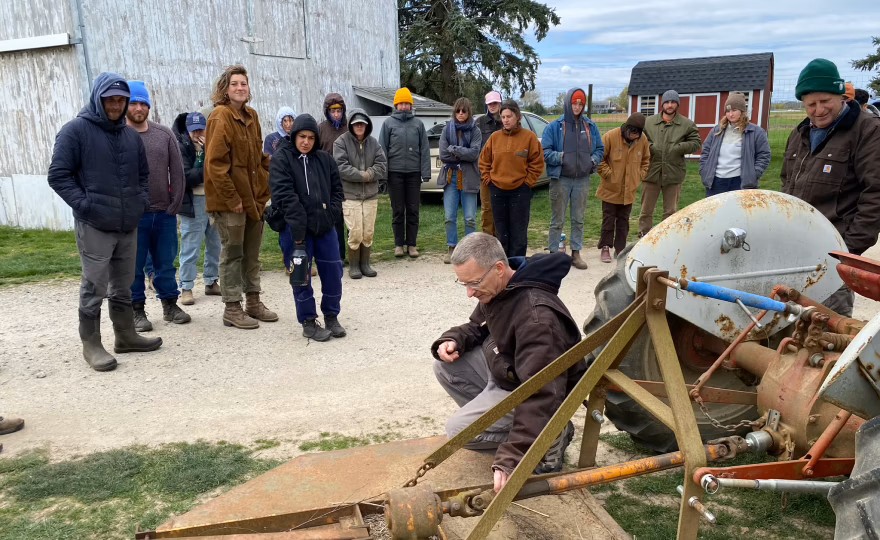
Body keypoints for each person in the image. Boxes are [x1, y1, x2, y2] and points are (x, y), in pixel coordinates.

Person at [432, 233, 583, 492]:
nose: (469, 293)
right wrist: (453, 340)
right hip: (507, 371)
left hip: (533, 391)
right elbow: (477, 326)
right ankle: (505, 424)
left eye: (474, 283)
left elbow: (542, 392)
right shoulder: (502, 289)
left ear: (499, 268)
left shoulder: (536, 319)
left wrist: (512, 456)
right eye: (463, 283)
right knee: (445, 365)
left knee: (458, 430)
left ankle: (549, 437)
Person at [47, 73, 162, 371]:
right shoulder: (75, 131)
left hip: (127, 223)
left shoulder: (129, 136)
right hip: (95, 224)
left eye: (121, 100)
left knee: (123, 284)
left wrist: (141, 203)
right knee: (95, 285)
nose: (116, 105)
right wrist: (87, 206)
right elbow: (58, 175)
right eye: (110, 99)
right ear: (98, 99)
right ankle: (91, 344)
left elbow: (143, 176)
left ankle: (125, 336)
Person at [781, 58, 880, 317]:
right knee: (787, 321)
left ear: (841, 96)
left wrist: (847, 251)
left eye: (826, 101)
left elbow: (876, 194)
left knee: (824, 332)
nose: (818, 109)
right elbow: (786, 183)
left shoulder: (867, 131)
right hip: (794, 250)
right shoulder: (799, 134)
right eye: (811, 104)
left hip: (833, 255)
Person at [204, 65, 278, 329]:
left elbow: (257, 158)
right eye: (234, 84)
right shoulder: (220, 116)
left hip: (254, 199)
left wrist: (273, 173)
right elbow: (215, 165)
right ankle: (232, 308)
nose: (239, 88)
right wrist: (232, 198)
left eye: (243, 84)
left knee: (252, 253)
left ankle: (254, 302)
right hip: (231, 203)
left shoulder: (251, 116)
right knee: (232, 253)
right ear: (225, 88)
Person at [270, 114, 346, 341]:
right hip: (295, 231)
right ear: (294, 136)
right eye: (302, 136)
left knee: (333, 274)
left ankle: (331, 316)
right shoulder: (281, 159)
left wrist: (330, 214)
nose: (306, 142)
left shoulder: (325, 160)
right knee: (301, 277)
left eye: (311, 137)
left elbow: (337, 191)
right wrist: (300, 222)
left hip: (325, 229)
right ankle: (308, 321)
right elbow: (283, 194)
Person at [124, 81, 190, 330]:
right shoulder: (119, 134)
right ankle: (137, 310)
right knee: (134, 267)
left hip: (163, 214)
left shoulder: (163, 134)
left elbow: (178, 171)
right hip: (134, 217)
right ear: (126, 106)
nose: (139, 108)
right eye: (134, 103)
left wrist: (174, 205)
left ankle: (170, 305)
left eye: (143, 103)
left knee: (165, 263)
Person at [541, 87, 604, 270]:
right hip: (560, 179)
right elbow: (545, 152)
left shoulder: (590, 127)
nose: (577, 106)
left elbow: (600, 149)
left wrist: (591, 161)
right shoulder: (554, 127)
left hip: (582, 180)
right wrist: (563, 157)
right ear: (568, 103)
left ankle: (576, 253)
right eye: (574, 102)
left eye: (580, 103)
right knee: (557, 219)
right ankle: (553, 255)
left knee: (578, 218)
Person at [478, 101, 544, 257]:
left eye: (509, 116)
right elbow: (484, 161)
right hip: (497, 191)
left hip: (520, 191)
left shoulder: (529, 138)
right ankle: (503, 263)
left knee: (519, 230)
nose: (506, 120)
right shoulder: (494, 138)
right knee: (501, 229)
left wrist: (527, 183)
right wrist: (488, 179)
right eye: (503, 116)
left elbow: (537, 162)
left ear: (517, 117)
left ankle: (517, 264)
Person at [172, 111, 221, 305]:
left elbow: (220, 171)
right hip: (193, 202)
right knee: (190, 247)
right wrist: (204, 163)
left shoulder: (213, 145)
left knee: (215, 244)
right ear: (188, 130)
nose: (197, 133)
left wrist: (208, 157)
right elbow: (187, 176)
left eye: (201, 129)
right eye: (194, 130)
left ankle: (211, 281)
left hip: (214, 200)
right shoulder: (182, 147)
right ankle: (186, 287)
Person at [639, 90, 702, 236]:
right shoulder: (649, 122)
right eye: (667, 102)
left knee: (670, 211)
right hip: (651, 172)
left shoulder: (686, 124)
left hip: (674, 173)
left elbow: (696, 142)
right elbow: (640, 139)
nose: (670, 105)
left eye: (673, 102)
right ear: (662, 104)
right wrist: (650, 147)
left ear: (677, 104)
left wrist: (679, 148)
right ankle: (644, 235)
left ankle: (666, 237)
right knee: (646, 210)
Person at [333, 108, 387, 279]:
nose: (359, 126)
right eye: (356, 123)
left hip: (371, 195)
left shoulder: (374, 143)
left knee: (368, 232)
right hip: (350, 195)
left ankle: (365, 263)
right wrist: (362, 176)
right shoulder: (340, 142)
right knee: (355, 232)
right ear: (351, 124)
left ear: (367, 125)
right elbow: (341, 167)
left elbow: (382, 165)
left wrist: (369, 174)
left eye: (362, 123)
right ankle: (354, 265)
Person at [379, 87, 430, 258]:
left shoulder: (418, 124)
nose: (404, 106)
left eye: (407, 103)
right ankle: (398, 244)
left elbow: (424, 149)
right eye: (401, 103)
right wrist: (383, 175)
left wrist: (425, 172)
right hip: (395, 173)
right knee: (398, 210)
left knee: (413, 209)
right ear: (396, 105)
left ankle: (412, 245)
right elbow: (382, 150)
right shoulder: (388, 124)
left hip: (414, 174)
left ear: (411, 105)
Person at [596, 113, 651, 263]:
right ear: (626, 128)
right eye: (632, 133)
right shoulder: (610, 137)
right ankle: (605, 247)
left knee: (623, 221)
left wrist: (639, 175)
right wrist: (608, 174)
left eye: (637, 134)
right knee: (608, 219)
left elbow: (646, 160)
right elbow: (599, 158)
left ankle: (620, 249)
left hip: (629, 190)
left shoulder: (643, 140)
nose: (634, 137)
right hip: (610, 189)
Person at [699, 92, 772, 197]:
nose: (730, 114)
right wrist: (704, 171)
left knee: (739, 212)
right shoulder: (716, 131)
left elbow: (764, 155)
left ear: (742, 111)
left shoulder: (756, 132)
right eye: (728, 111)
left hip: (740, 183)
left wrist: (753, 174)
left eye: (734, 110)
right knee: (717, 212)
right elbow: (705, 152)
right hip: (716, 182)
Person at [439, 97, 482, 264]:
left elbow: (474, 154)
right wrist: (463, 152)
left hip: (469, 176)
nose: (461, 113)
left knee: (470, 217)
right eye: (458, 110)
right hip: (450, 176)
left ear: (469, 112)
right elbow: (443, 155)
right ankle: (452, 247)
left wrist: (454, 149)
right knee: (450, 216)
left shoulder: (475, 131)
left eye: (464, 111)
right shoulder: (446, 130)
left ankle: (470, 251)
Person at [319, 93, 349, 264]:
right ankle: (339, 254)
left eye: (339, 110)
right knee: (335, 219)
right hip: (329, 181)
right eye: (333, 111)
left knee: (351, 220)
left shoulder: (349, 128)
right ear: (327, 111)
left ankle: (354, 255)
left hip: (349, 180)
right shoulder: (321, 128)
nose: (336, 114)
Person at [477, 91, 504, 235]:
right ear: (486, 105)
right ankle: (487, 239)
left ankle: (501, 240)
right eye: (490, 103)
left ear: (500, 103)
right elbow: (476, 147)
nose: (493, 106)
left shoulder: (506, 120)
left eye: (495, 103)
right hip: (485, 173)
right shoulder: (479, 122)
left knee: (501, 207)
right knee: (487, 208)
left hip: (503, 173)